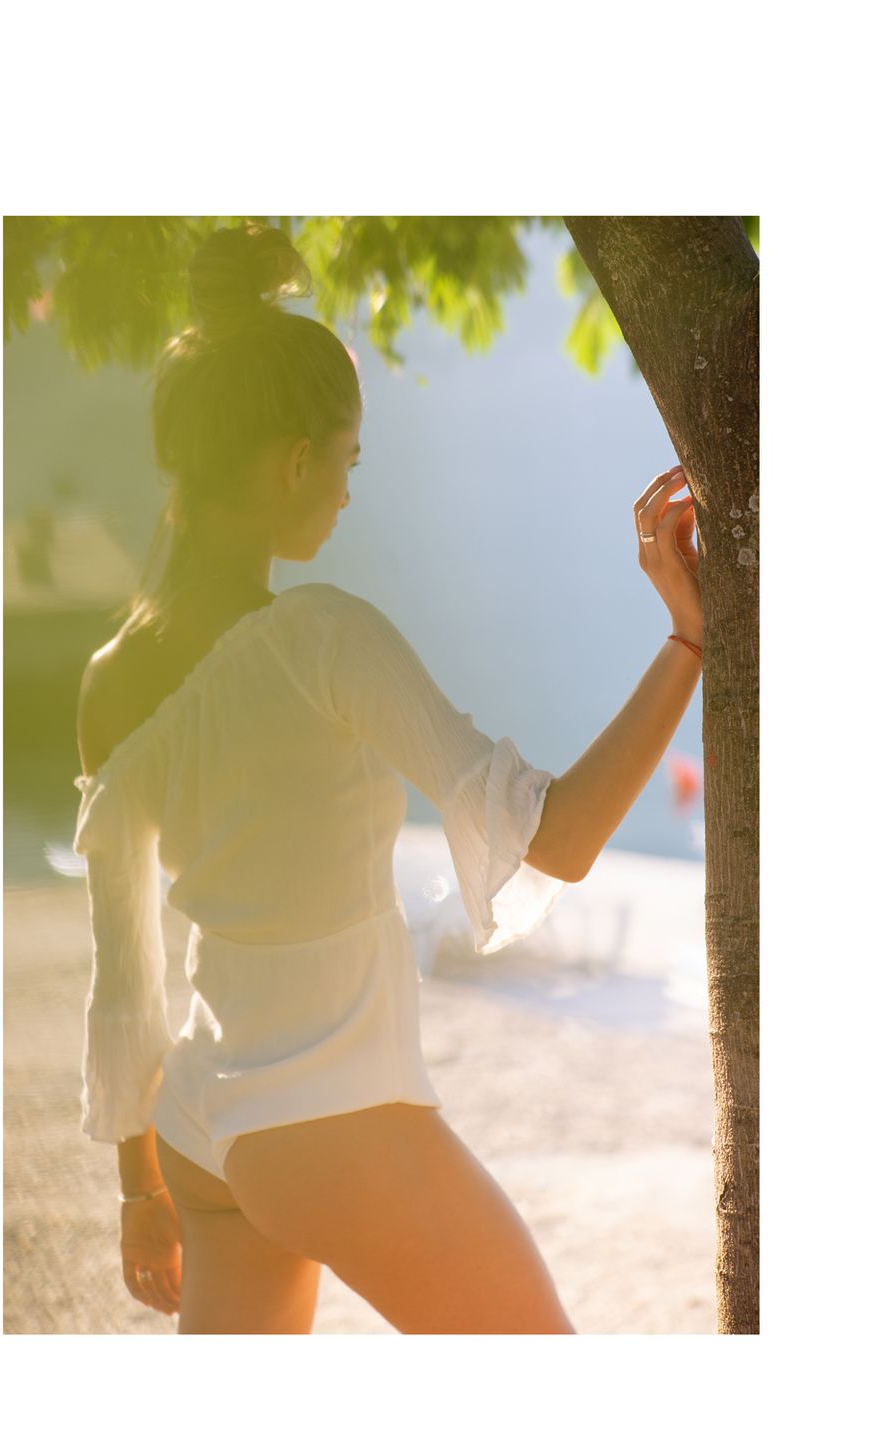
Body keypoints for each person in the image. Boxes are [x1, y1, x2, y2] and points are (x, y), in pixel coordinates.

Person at [73, 222, 702, 1333]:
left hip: (203, 1134)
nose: (351, 495)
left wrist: (140, 1187)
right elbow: (551, 839)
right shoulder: (324, 637)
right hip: (335, 1118)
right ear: (290, 461)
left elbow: (126, 976)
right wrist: (684, 643)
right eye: (348, 461)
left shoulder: (108, 681)